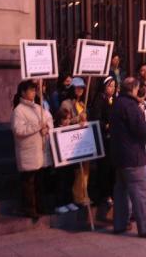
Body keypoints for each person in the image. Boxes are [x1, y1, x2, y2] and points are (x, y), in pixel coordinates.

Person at [110, 77, 146, 239]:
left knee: (121, 191)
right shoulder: (131, 106)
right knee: (139, 194)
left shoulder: (118, 103)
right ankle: (145, 228)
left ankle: (120, 224)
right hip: (133, 157)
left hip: (119, 156)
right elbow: (141, 132)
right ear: (134, 89)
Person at [11, 80, 53, 219]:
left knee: (39, 182)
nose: (33, 92)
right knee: (28, 183)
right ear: (23, 92)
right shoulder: (18, 111)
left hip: (39, 151)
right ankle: (29, 209)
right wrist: (37, 127)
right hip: (28, 153)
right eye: (30, 90)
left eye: (34, 90)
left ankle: (40, 206)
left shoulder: (38, 107)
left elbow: (49, 120)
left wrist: (47, 128)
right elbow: (18, 130)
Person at [60, 77, 90, 206]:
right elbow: (64, 122)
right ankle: (77, 196)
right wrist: (78, 118)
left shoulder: (83, 104)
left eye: (82, 88)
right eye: (77, 88)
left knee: (85, 168)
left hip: (83, 140)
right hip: (71, 142)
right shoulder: (66, 104)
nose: (80, 90)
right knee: (77, 170)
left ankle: (84, 194)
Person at [89, 76, 117, 206]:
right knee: (104, 168)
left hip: (113, 139)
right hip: (103, 138)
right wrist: (105, 125)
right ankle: (104, 194)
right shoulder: (99, 100)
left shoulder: (115, 100)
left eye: (114, 86)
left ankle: (112, 192)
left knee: (112, 167)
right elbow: (95, 118)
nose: (112, 88)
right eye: (110, 86)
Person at [53, 108, 79, 214]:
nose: (67, 121)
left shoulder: (70, 128)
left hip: (70, 160)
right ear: (59, 120)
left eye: (68, 119)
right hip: (60, 162)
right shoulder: (56, 130)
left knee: (70, 180)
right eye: (65, 119)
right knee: (62, 182)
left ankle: (69, 201)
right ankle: (60, 204)